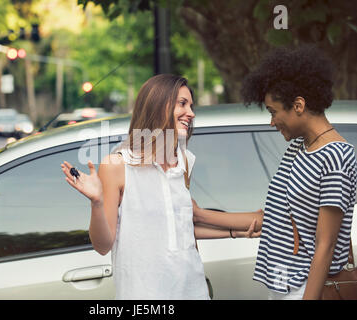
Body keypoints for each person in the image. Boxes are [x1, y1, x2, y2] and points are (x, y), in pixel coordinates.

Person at [61, 74, 261, 300]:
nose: (191, 113)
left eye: (191, 106)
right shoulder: (117, 165)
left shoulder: (184, 161)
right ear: (157, 106)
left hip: (193, 292)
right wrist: (96, 203)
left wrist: (235, 232)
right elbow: (103, 245)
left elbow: (179, 229)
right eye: (182, 104)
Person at [241, 45, 357, 300]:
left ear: (299, 105)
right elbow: (276, 216)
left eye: (273, 112)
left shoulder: (336, 157)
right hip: (283, 286)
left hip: (306, 289)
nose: (271, 122)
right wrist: (199, 215)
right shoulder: (298, 146)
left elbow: (325, 245)